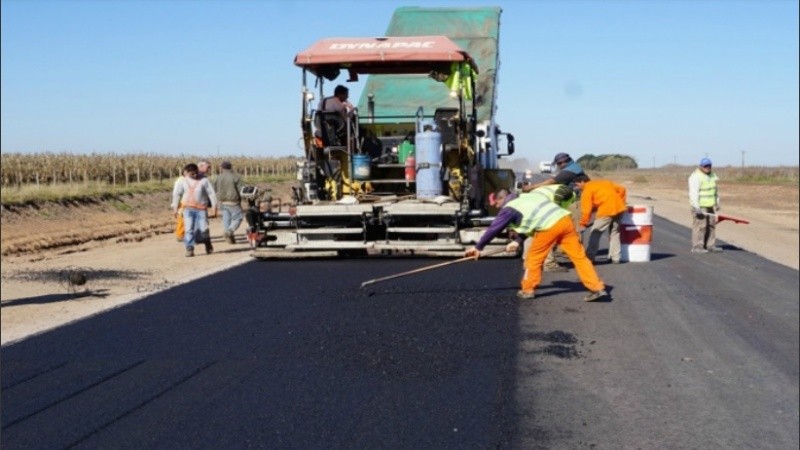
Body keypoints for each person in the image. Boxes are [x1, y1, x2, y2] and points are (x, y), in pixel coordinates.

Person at [465, 185, 608, 302]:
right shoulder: (527, 197)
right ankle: (597, 287)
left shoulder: (509, 208)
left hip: (548, 227)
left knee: (533, 259)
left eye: (496, 203)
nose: (497, 207)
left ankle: (528, 290)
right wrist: (517, 241)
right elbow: (532, 219)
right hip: (565, 222)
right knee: (580, 258)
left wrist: (478, 247)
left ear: (502, 198)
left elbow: (494, 228)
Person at [523, 152, 587, 271]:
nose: (558, 166)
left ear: (563, 162)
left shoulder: (572, 170)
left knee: (574, 229)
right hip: (569, 200)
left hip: (575, 202)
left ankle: (572, 255)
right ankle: (562, 253)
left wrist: (532, 187)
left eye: (558, 164)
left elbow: (552, 181)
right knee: (563, 228)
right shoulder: (571, 168)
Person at [573, 174, 627, 264]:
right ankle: (616, 257)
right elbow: (622, 189)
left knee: (595, 233)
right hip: (620, 209)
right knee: (615, 233)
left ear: (582, 181)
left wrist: (583, 224)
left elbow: (586, 211)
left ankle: (590, 257)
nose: (577, 187)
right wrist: (618, 200)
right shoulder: (604, 182)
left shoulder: (587, 190)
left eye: (577, 185)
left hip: (606, 211)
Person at [172, 163, 218, 257]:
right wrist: (175, 208)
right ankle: (189, 249)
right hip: (188, 209)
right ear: (187, 173)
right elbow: (177, 194)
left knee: (203, 229)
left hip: (201, 209)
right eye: (192, 174)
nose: (194, 175)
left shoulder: (204, 181)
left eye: (196, 173)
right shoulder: (183, 181)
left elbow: (211, 194)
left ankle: (207, 243)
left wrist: (214, 206)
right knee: (189, 229)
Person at [174, 159, 213, 241]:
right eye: (208, 167)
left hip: (198, 204)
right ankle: (181, 235)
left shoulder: (202, 178)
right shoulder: (182, 180)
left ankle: (196, 236)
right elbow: (177, 193)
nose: (209, 169)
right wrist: (176, 205)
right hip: (185, 203)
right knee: (183, 220)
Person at [689, 157, 722, 253]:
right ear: (701, 166)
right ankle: (697, 246)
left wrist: (717, 202)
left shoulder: (712, 176)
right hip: (700, 206)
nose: (707, 167)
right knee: (700, 226)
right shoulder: (695, 176)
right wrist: (696, 207)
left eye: (709, 165)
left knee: (711, 225)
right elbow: (693, 193)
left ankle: (710, 245)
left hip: (710, 205)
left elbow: (715, 190)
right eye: (705, 166)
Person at [213, 161, 245, 244]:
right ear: (231, 167)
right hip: (233, 202)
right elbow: (241, 190)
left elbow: (215, 189)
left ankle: (229, 239)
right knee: (238, 218)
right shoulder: (236, 177)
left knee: (226, 220)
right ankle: (229, 232)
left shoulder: (218, 177)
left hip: (222, 202)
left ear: (221, 168)